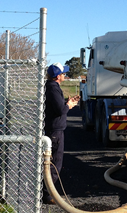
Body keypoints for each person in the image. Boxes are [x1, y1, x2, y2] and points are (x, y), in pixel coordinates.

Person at [43, 62, 79, 205]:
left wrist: (67, 102)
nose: (64, 75)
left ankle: (47, 192)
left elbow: (57, 106)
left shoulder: (50, 86)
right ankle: (48, 195)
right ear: (58, 76)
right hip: (55, 131)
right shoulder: (53, 88)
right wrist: (68, 105)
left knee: (51, 163)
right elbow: (60, 110)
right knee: (55, 165)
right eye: (63, 73)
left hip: (53, 129)